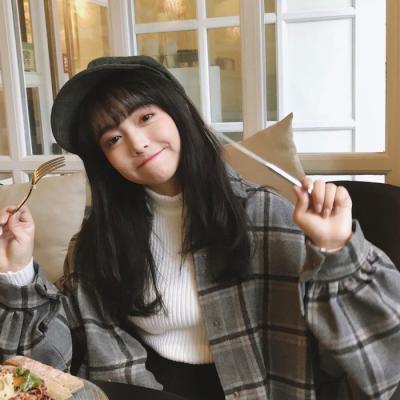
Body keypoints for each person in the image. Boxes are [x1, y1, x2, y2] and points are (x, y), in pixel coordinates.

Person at [0, 56, 400, 400]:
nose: (138, 143)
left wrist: (337, 249)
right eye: (113, 138)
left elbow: (378, 354)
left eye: (146, 117)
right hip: (147, 389)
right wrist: (17, 272)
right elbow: (44, 367)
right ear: (105, 160)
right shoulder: (98, 242)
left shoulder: (263, 214)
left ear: (178, 113)